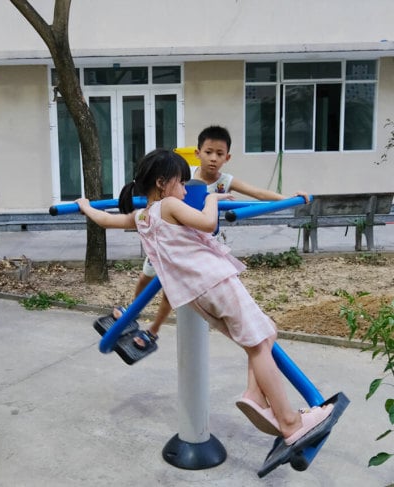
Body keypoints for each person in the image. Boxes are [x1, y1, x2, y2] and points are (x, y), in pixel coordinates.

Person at [76, 148, 332, 446]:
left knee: (264, 334)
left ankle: (255, 396)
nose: (186, 190)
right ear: (162, 183)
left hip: (197, 297)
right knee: (261, 346)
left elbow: (105, 221)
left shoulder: (141, 217)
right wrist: (211, 198)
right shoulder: (169, 205)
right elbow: (208, 223)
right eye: (182, 182)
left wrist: (85, 206)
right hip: (217, 283)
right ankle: (290, 423)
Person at [119, 125, 309, 352]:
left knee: (173, 294)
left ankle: (153, 331)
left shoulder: (224, 181)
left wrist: (288, 199)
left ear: (227, 157)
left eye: (219, 154)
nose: (213, 159)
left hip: (195, 249)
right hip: (169, 243)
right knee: (145, 278)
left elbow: (258, 194)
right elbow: (154, 192)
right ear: (198, 153)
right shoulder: (183, 175)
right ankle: (132, 313)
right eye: (208, 152)